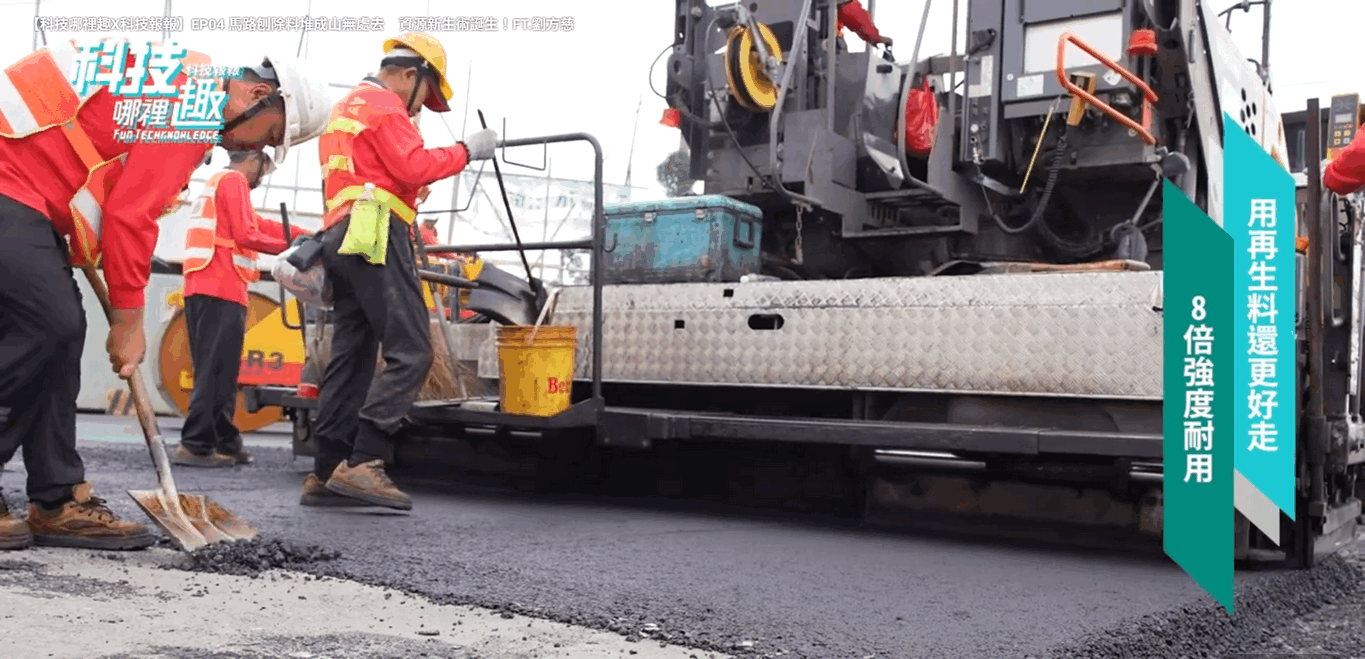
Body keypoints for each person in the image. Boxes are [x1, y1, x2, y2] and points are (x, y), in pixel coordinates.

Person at [0, 42, 332, 551]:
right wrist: (130, 322)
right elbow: (130, 218)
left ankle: (57, 496)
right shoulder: (193, 102)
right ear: (255, 94)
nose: (249, 149)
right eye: (265, 136)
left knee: (64, 333)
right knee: (48, 324)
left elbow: (103, 177)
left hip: (28, 188)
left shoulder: (179, 83)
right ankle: (55, 495)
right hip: (10, 179)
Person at [301, 32, 496, 509]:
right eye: (424, 98)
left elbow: (371, 176)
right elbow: (411, 165)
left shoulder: (346, 107)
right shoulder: (386, 105)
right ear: (411, 75)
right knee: (412, 350)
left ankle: (326, 470)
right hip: (376, 236)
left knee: (352, 356)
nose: (419, 110)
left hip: (341, 238)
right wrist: (468, 151)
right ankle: (364, 462)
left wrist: (406, 191)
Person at [174, 150, 310, 468]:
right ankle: (195, 445)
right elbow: (247, 235)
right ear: (254, 159)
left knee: (219, 370)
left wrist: (306, 234)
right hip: (220, 286)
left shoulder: (220, 182)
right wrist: (295, 248)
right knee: (216, 371)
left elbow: (260, 224)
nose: (263, 176)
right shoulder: (234, 181)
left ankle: (225, 440)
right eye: (265, 167)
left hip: (207, 286)